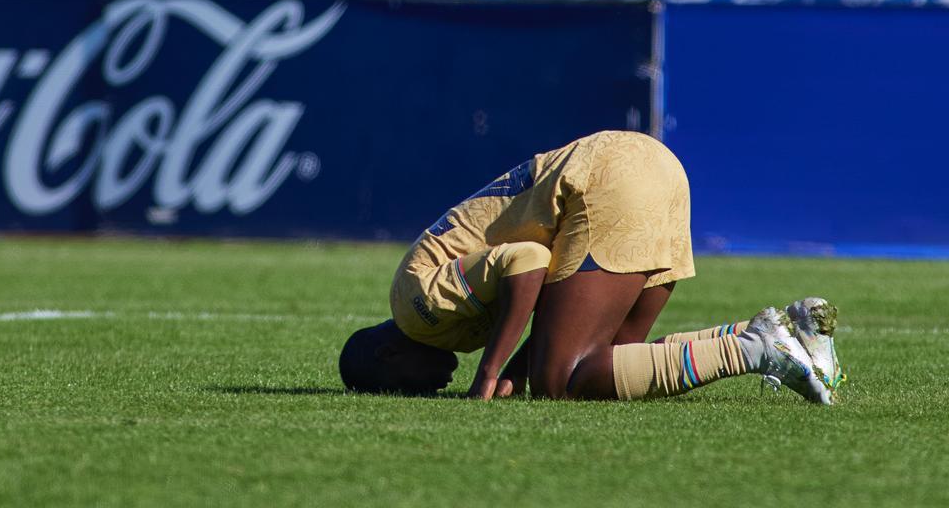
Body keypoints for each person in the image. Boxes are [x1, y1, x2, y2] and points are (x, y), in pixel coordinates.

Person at [339, 131, 845, 403]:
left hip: (609, 179)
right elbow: (537, 290)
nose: (431, 387)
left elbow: (528, 261)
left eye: (404, 387)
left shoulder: (415, 307)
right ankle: (773, 331)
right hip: (654, 164)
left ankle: (753, 351)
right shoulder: (430, 312)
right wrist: (519, 368)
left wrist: (490, 372)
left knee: (563, 382)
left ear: (388, 354)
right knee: (615, 363)